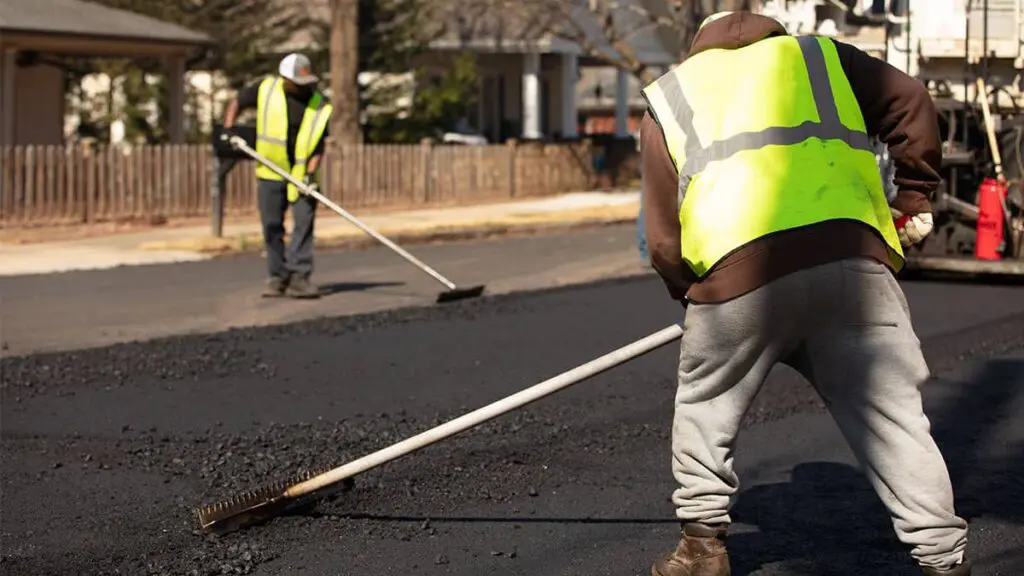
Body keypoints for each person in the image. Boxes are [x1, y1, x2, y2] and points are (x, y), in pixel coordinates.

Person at [639, 11, 967, 576]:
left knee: (705, 406)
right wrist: (913, 194)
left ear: (698, 47)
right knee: (894, 419)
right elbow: (911, 101)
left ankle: (701, 549)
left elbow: (663, 238)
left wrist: (689, 291)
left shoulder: (671, 95)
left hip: (736, 281)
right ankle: (943, 555)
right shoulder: (823, 58)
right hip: (853, 268)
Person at [221, 53, 332, 299]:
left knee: (303, 224)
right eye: (296, 81)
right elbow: (237, 101)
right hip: (270, 170)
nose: (302, 86)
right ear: (284, 78)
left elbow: (319, 146)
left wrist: (310, 175)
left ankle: (299, 277)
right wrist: (228, 130)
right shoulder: (265, 90)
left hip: (302, 174)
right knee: (271, 226)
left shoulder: (320, 105)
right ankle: (277, 276)